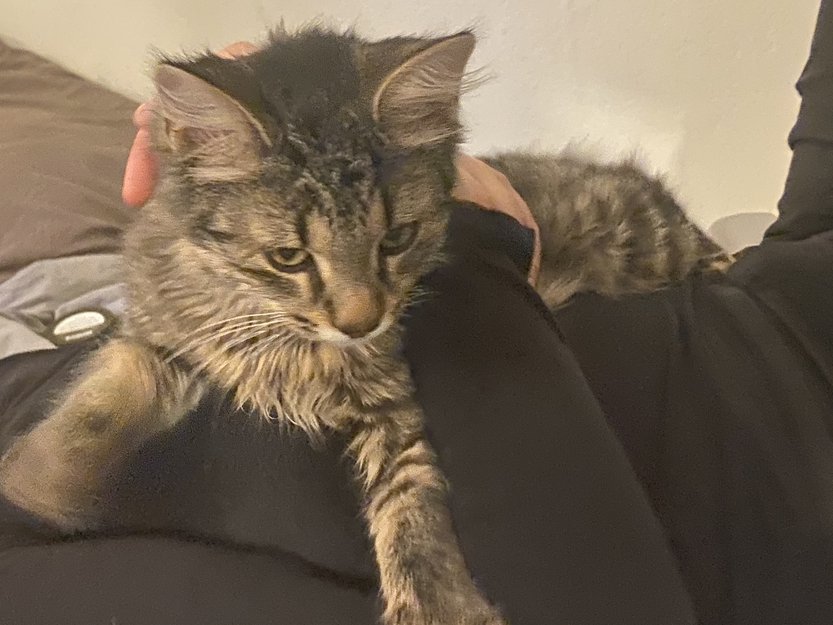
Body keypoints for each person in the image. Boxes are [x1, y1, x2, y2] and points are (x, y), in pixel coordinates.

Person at [3, 4, 833, 624]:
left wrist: (479, 242)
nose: (356, 310)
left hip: (566, 406)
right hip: (684, 346)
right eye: (290, 257)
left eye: (390, 244)